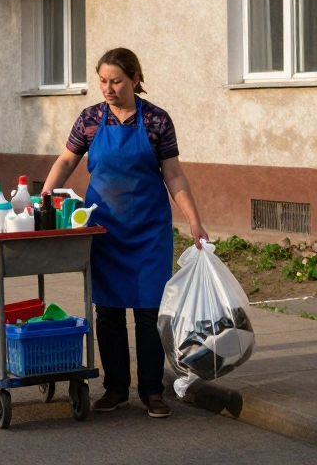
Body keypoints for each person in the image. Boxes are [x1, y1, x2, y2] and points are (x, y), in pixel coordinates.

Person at [42, 48, 208, 419]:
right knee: (110, 312)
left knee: (150, 312)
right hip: (105, 229)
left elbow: (174, 174)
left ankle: (152, 390)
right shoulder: (89, 119)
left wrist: (194, 221)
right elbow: (68, 159)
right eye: (102, 80)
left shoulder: (156, 121)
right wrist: (45, 193)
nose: (108, 88)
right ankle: (116, 388)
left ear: (135, 78)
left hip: (149, 232)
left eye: (116, 80)